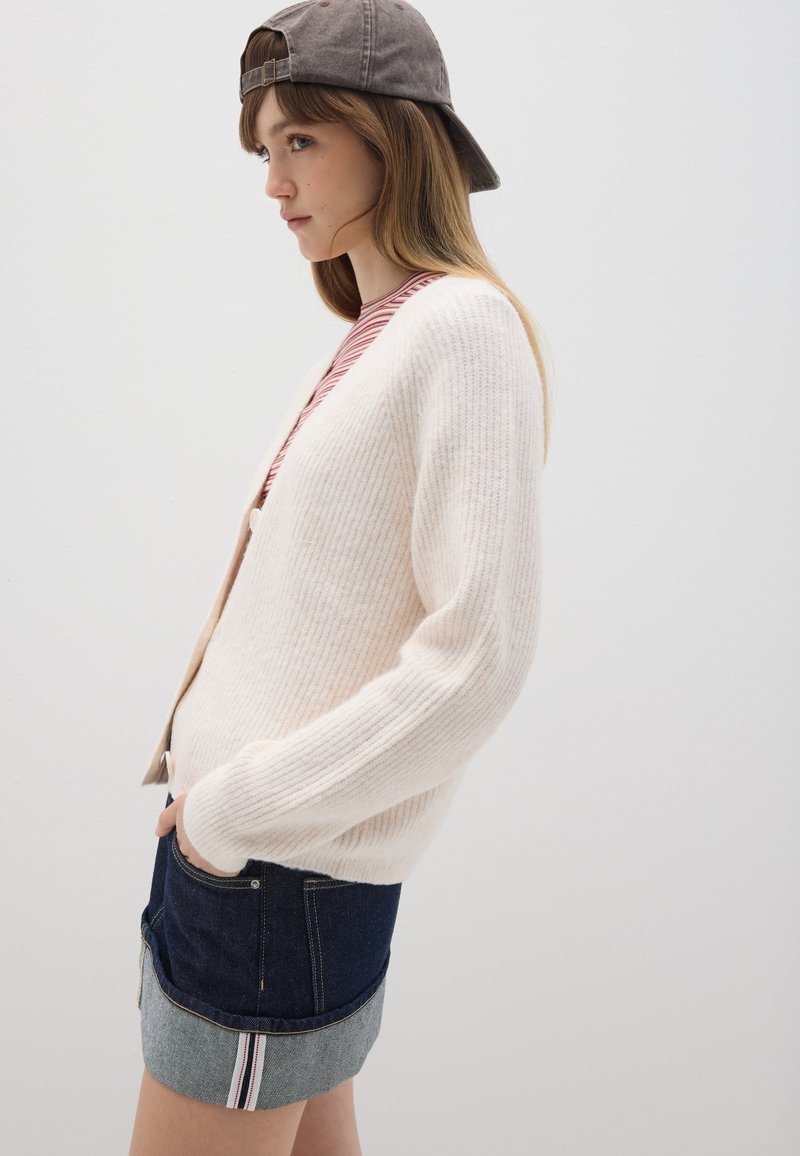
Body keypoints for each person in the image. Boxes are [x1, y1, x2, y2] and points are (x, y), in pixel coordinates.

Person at [128, 2, 551, 1153]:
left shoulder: (459, 330)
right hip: (256, 864)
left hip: (272, 873)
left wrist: (232, 810)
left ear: (393, 134)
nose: (274, 182)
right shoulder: (383, 329)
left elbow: (478, 659)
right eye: (265, 150)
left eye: (301, 141)